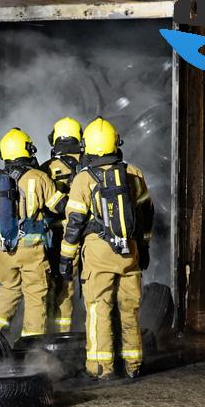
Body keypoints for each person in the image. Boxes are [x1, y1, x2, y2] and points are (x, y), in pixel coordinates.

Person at [59, 117, 154, 380]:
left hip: (98, 251)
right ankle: (134, 365)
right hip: (130, 250)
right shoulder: (133, 173)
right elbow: (147, 213)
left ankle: (102, 369)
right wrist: (143, 246)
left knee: (99, 309)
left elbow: (74, 224)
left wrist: (67, 259)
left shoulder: (83, 180)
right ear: (116, 142)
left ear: (87, 146)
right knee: (129, 308)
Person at [0, 128, 68, 339]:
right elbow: (59, 207)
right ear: (28, 150)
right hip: (30, 247)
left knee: (7, 292)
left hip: (2, 248)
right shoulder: (39, 178)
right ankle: (30, 347)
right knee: (35, 296)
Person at [40, 117, 83, 333]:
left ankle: (57, 335)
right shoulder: (90, 164)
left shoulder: (47, 168)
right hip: (89, 235)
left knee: (60, 286)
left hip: (58, 237)